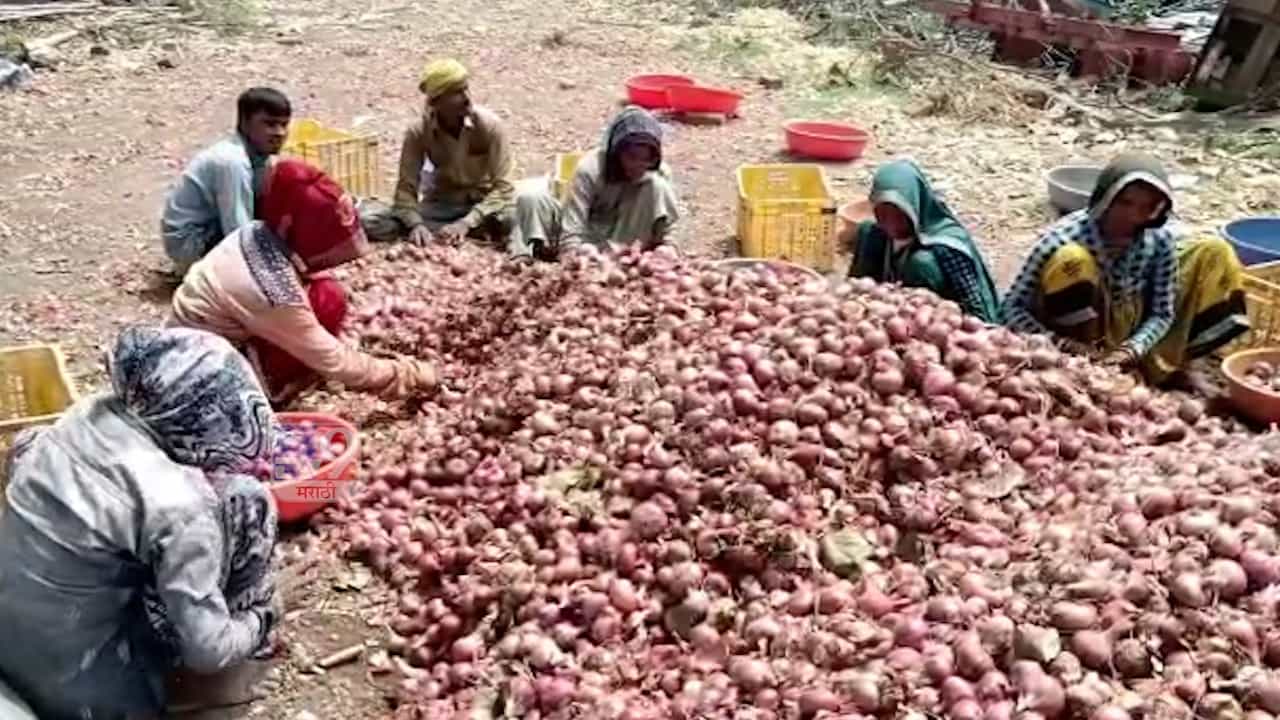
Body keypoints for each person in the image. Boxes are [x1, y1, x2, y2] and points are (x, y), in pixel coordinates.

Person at [0, 325, 279, 720]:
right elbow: (207, 649)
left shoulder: (86, 414)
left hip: (9, 635)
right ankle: (203, 692)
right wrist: (258, 620)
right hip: (83, 693)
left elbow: (23, 452)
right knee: (249, 500)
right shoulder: (180, 504)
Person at [169, 158, 437, 405]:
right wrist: (409, 374)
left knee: (327, 294)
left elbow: (310, 278)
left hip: (202, 333)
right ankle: (273, 391)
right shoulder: (272, 291)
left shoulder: (257, 232)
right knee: (319, 322)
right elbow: (335, 362)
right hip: (201, 371)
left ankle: (293, 365)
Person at [1002, 152, 1249, 386]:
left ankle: (1167, 365)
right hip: (1072, 341)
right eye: (1124, 203)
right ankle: (1079, 367)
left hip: (1127, 335)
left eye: (1146, 207)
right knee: (1072, 260)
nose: (1133, 215)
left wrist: (1133, 348)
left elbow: (1162, 312)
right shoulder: (1062, 238)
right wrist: (1061, 344)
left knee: (1216, 251)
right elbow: (1011, 307)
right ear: (1105, 199)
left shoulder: (1158, 241)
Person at [509, 106, 680, 259]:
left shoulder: (658, 175)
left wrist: (670, 248)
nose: (638, 165)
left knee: (655, 185)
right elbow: (573, 223)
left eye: (646, 159)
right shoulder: (590, 170)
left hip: (627, 237)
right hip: (588, 234)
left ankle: (619, 257)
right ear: (616, 153)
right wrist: (573, 258)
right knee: (529, 199)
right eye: (631, 157)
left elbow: (669, 224)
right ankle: (527, 256)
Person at [380, 58, 515, 246]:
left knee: (514, 220)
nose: (467, 97)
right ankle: (460, 233)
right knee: (379, 221)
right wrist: (416, 224)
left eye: (466, 89)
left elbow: (504, 189)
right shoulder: (418, 131)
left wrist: (466, 223)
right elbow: (406, 190)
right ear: (437, 102)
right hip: (444, 205)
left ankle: (467, 231)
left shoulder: (490, 126)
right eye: (457, 93)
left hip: (484, 206)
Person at [848, 159, 1001, 323]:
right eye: (882, 213)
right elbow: (857, 283)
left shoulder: (946, 245)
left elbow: (978, 313)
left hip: (942, 323)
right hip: (890, 315)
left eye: (898, 212)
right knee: (868, 231)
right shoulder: (877, 234)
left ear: (914, 206)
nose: (890, 222)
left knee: (921, 263)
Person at [161, 87, 292, 275]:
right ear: (245, 124)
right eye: (270, 124)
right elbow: (237, 230)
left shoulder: (260, 157)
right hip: (191, 241)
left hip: (212, 227)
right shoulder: (232, 162)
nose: (279, 133)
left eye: (284, 125)